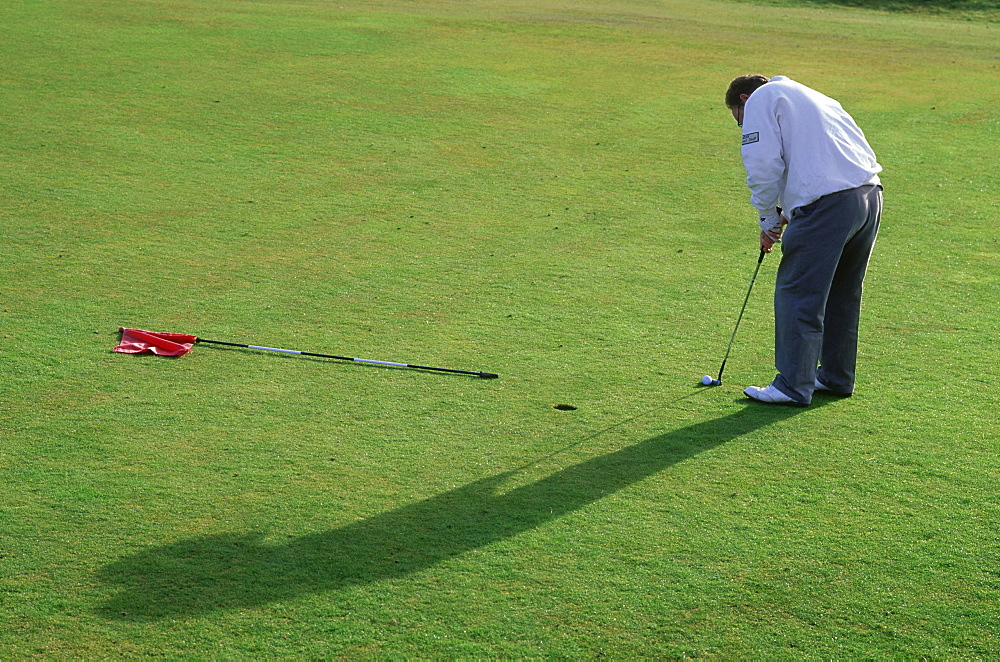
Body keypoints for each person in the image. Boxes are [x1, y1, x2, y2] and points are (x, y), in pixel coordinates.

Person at [725, 74, 883, 406]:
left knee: (798, 292)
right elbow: (822, 160)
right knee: (842, 293)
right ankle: (836, 377)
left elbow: (762, 165)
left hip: (829, 205)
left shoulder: (760, 101)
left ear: (743, 100)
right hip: (867, 197)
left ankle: (793, 386)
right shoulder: (814, 96)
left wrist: (768, 217)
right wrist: (790, 211)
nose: (743, 127)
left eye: (739, 122)